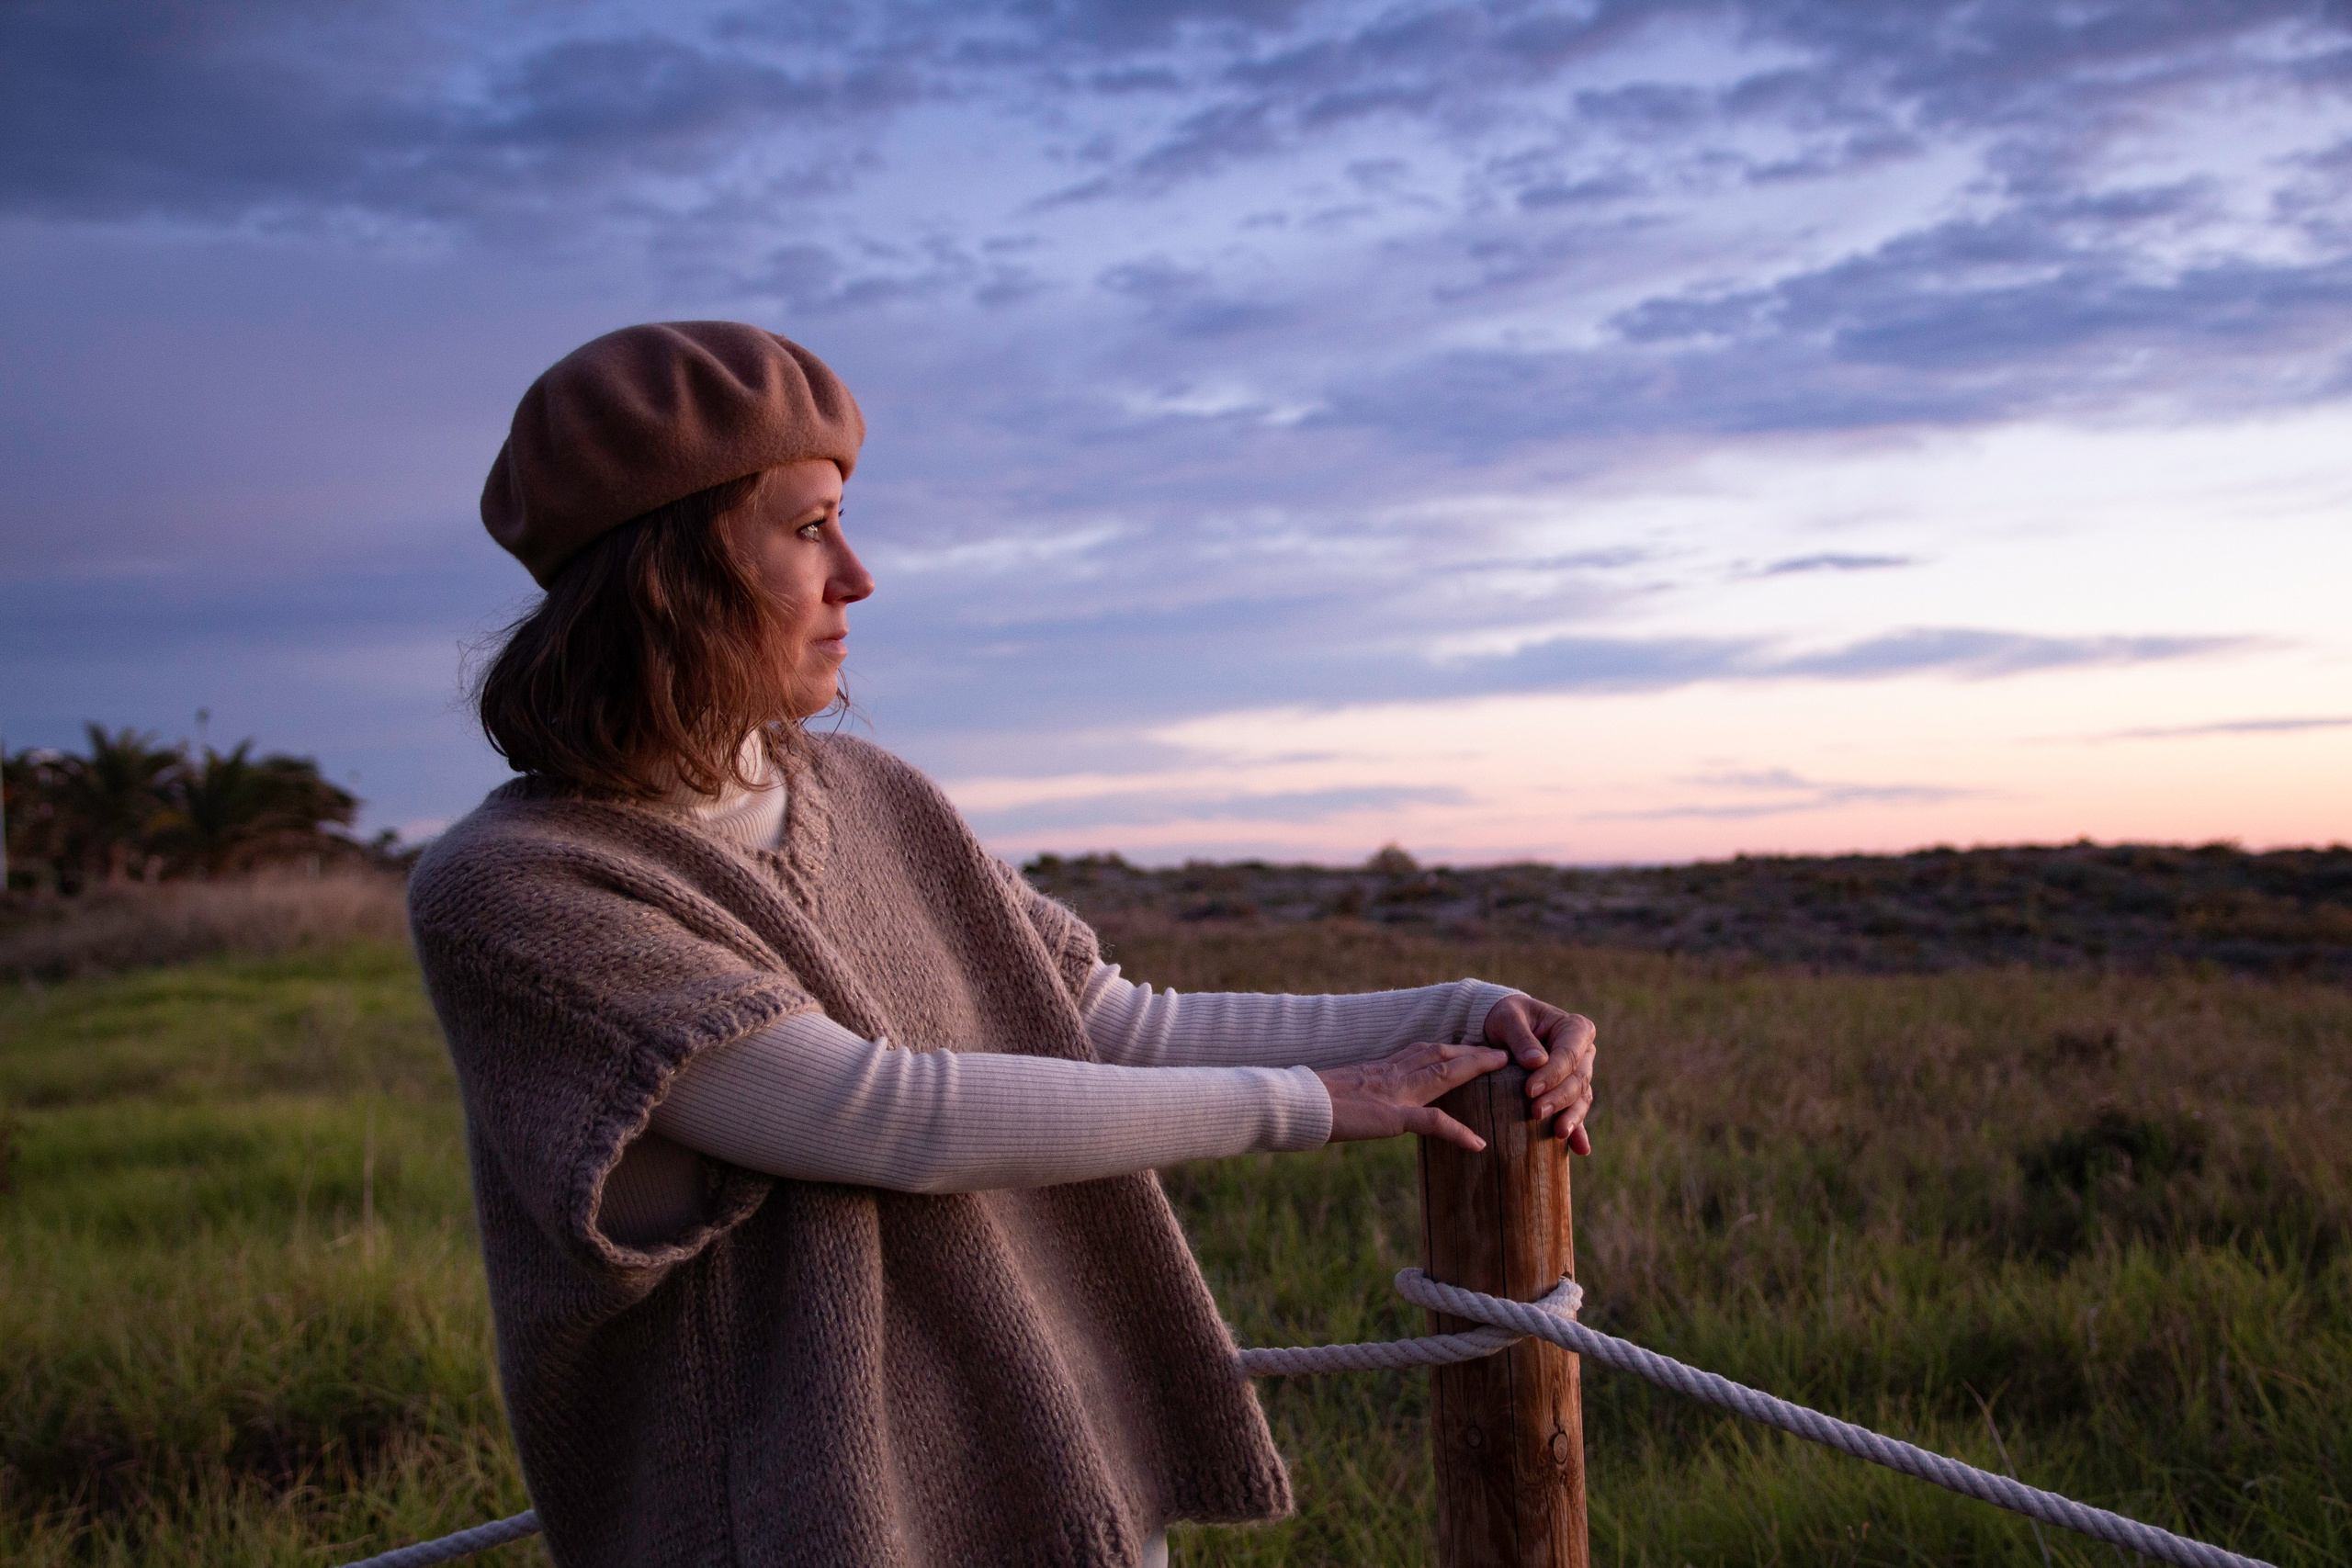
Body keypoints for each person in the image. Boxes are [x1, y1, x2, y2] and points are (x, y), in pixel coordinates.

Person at [407, 321, 1599, 1568]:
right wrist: (1314, 1102)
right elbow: (875, 1117)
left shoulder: (873, 796)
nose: (857, 575)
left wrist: (1462, 1012)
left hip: (1035, 1460)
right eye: (809, 526)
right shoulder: (520, 889)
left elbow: (1102, 1021)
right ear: (669, 567)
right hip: (782, 1520)